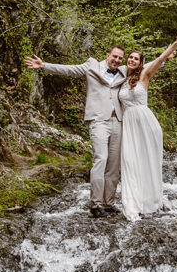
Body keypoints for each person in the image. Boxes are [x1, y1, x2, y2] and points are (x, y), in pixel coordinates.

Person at [24, 45, 127, 217]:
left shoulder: (124, 71)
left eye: (120, 58)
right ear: (107, 55)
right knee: (100, 159)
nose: (117, 60)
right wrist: (44, 66)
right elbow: (70, 70)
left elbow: (144, 68)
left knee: (114, 165)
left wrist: (166, 57)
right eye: (114, 56)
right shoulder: (92, 65)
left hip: (118, 121)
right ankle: (96, 204)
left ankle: (109, 203)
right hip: (98, 120)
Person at [119, 29, 177, 221]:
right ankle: (133, 203)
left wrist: (176, 43)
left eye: (135, 58)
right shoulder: (121, 79)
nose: (131, 60)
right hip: (129, 125)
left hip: (145, 122)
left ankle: (149, 202)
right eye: (129, 57)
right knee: (130, 162)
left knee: (147, 162)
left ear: (140, 63)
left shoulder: (145, 75)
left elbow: (160, 58)